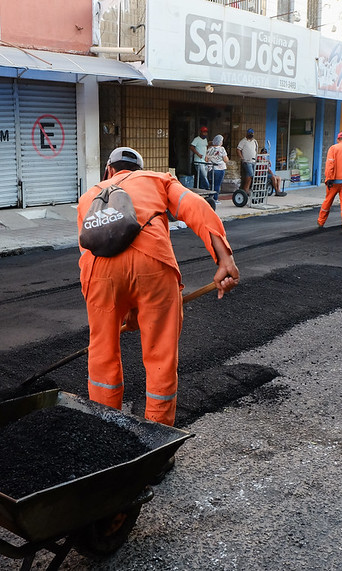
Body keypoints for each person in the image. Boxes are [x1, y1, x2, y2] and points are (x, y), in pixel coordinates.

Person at [77, 147, 239, 427]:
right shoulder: (156, 179)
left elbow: (87, 255)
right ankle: (157, 434)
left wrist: (118, 310)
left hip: (99, 275)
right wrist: (224, 258)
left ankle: (103, 431)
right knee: (159, 356)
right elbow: (196, 207)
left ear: (109, 171)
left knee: (102, 352)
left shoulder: (88, 197)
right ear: (138, 169)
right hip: (153, 264)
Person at [205, 134, 228, 202]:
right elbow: (225, 159)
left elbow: (206, 159)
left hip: (211, 169)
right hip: (220, 169)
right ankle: (215, 199)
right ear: (220, 142)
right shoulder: (221, 149)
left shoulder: (209, 149)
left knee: (212, 184)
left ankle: (210, 198)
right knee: (217, 184)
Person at [189, 125, 210, 190]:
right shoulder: (196, 139)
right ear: (200, 132)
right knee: (203, 176)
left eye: (206, 132)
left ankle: (202, 188)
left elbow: (206, 147)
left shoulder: (205, 139)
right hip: (198, 161)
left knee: (203, 176)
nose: (205, 134)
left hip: (204, 161)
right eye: (204, 132)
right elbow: (191, 147)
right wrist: (198, 154)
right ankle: (208, 187)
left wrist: (207, 156)